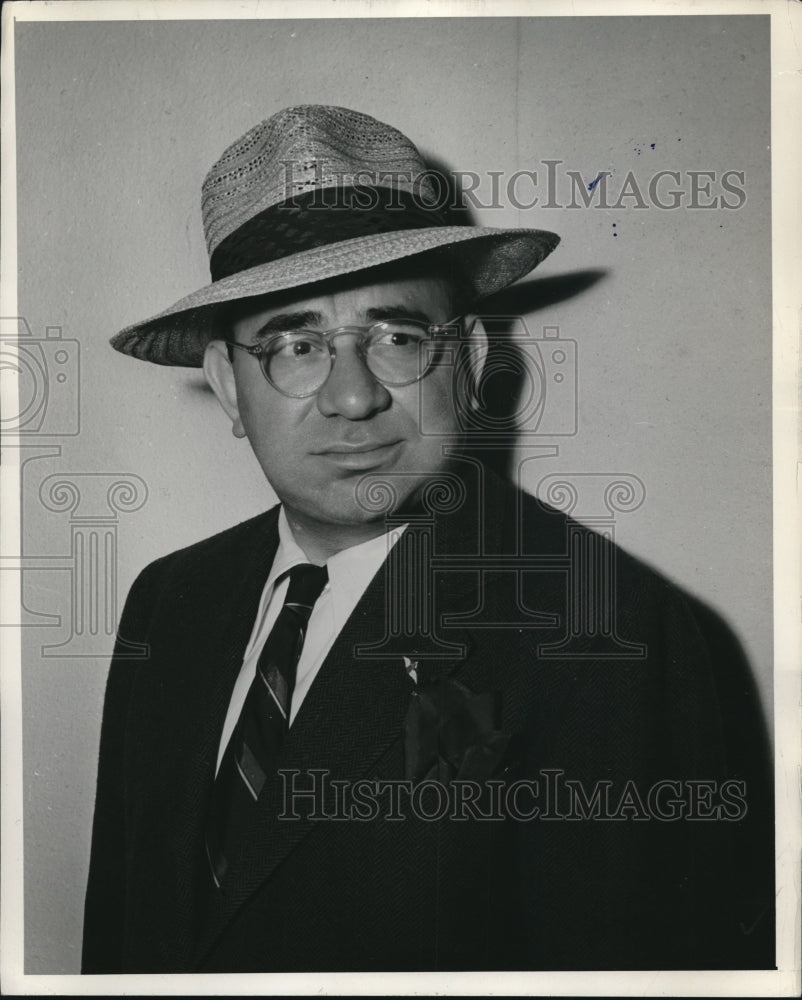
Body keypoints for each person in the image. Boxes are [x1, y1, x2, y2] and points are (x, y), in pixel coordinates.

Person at [82, 105, 774, 973]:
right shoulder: (169, 598)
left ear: (472, 362)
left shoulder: (612, 637)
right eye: (295, 343)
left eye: (398, 337)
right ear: (227, 385)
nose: (351, 396)